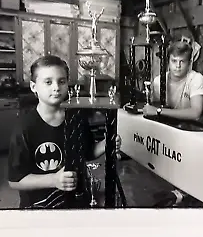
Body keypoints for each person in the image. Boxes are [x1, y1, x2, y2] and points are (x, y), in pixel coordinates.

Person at [7, 55, 122, 209]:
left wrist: (106, 143)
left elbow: (87, 153)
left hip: (76, 201)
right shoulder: (24, 127)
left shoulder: (77, 118)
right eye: (48, 82)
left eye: (61, 81)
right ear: (34, 87)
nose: (56, 87)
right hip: (40, 207)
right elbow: (15, 181)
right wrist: (54, 180)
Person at [143, 36, 203, 121]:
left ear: (189, 63)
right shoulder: (158, 81)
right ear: (168, 62)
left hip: (190, 128)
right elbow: (152, 108)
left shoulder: (196, 79)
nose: (178, 66)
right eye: (174, 61)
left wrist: (159, 111)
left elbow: (195, 113)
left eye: (182, 61)